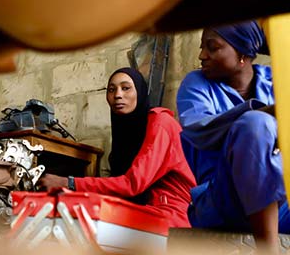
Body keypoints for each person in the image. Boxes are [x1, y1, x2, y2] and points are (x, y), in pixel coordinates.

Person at [176, 20, 289, 253]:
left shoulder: (276, 80)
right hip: (222, 201)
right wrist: (269, 112)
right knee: (255, 124)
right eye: (202, 46)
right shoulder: (196, 84)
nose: (201, 55)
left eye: (212, 47)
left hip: (279, 202)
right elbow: (201, 132)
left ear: (242, 53)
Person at [39, 67, 196, 228]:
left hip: (172, 217)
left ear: (140, 92)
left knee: (80, 220)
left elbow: (132, 184)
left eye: (126, 88)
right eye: (112, 90)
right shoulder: (125, 135)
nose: (118, 95)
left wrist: (69, 183)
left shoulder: (161, 123)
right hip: (144, 211)